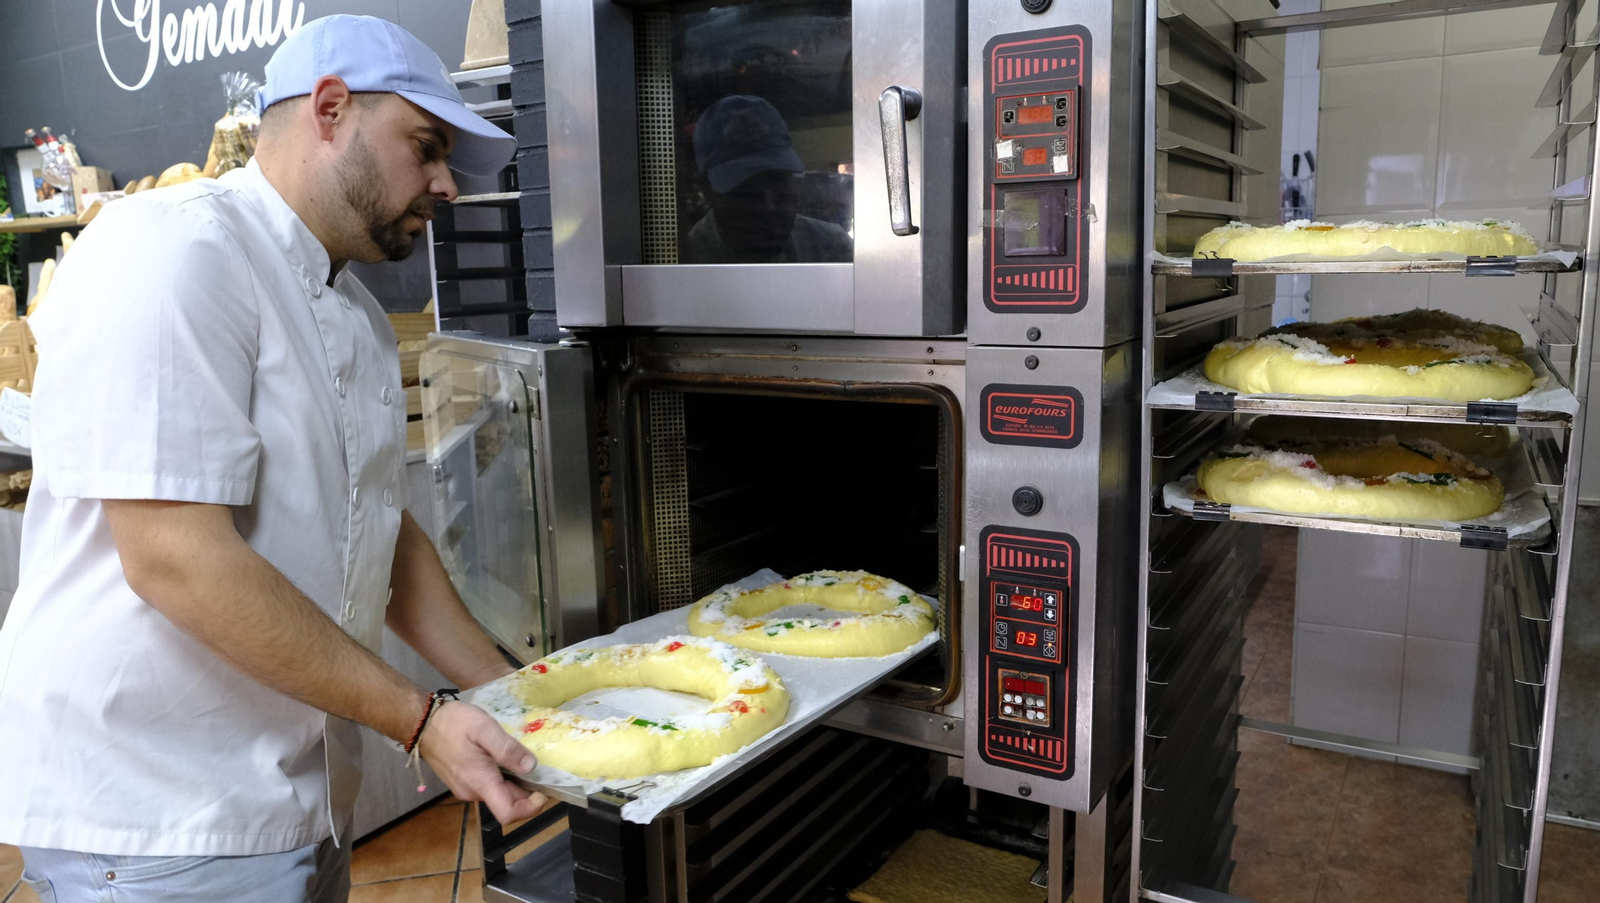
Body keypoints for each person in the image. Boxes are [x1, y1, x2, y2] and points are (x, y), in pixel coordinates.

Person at [0, 15, 544, 902]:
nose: (444, 183)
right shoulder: (174, 250)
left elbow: (383, 535)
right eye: (427, 146)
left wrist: (509, 692)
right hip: (155, 811)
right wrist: (422, 721)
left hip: (290, 799)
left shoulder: (358, 311)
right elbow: (176, 558)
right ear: (330, 109)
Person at [681, 95, 852, 264]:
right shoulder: (684, 261)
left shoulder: (831, 247)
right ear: (706, 190)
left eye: (779, 183)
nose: (769, 208)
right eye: (747, 192)